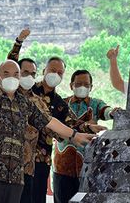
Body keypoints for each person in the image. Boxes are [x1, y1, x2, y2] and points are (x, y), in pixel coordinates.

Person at [0, 29, 106, 203]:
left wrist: (86, 128)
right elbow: (4, 69)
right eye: (52, 70)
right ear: (44, 70)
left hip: (38, 162)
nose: (55, 74)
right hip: (6, 161)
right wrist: (18, 42)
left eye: (60, 72)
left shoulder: (56, 103)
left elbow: (64, 123)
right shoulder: (18, 90)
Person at [53, 69, 118, 203]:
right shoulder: (61, 104)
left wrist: (113, 113)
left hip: (89, 167)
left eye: (86, 84)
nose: (82, 87)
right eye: (78, 84)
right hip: (62, 167)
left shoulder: (96, 104)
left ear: (91, 87)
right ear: (71, 86)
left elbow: (106, 111)